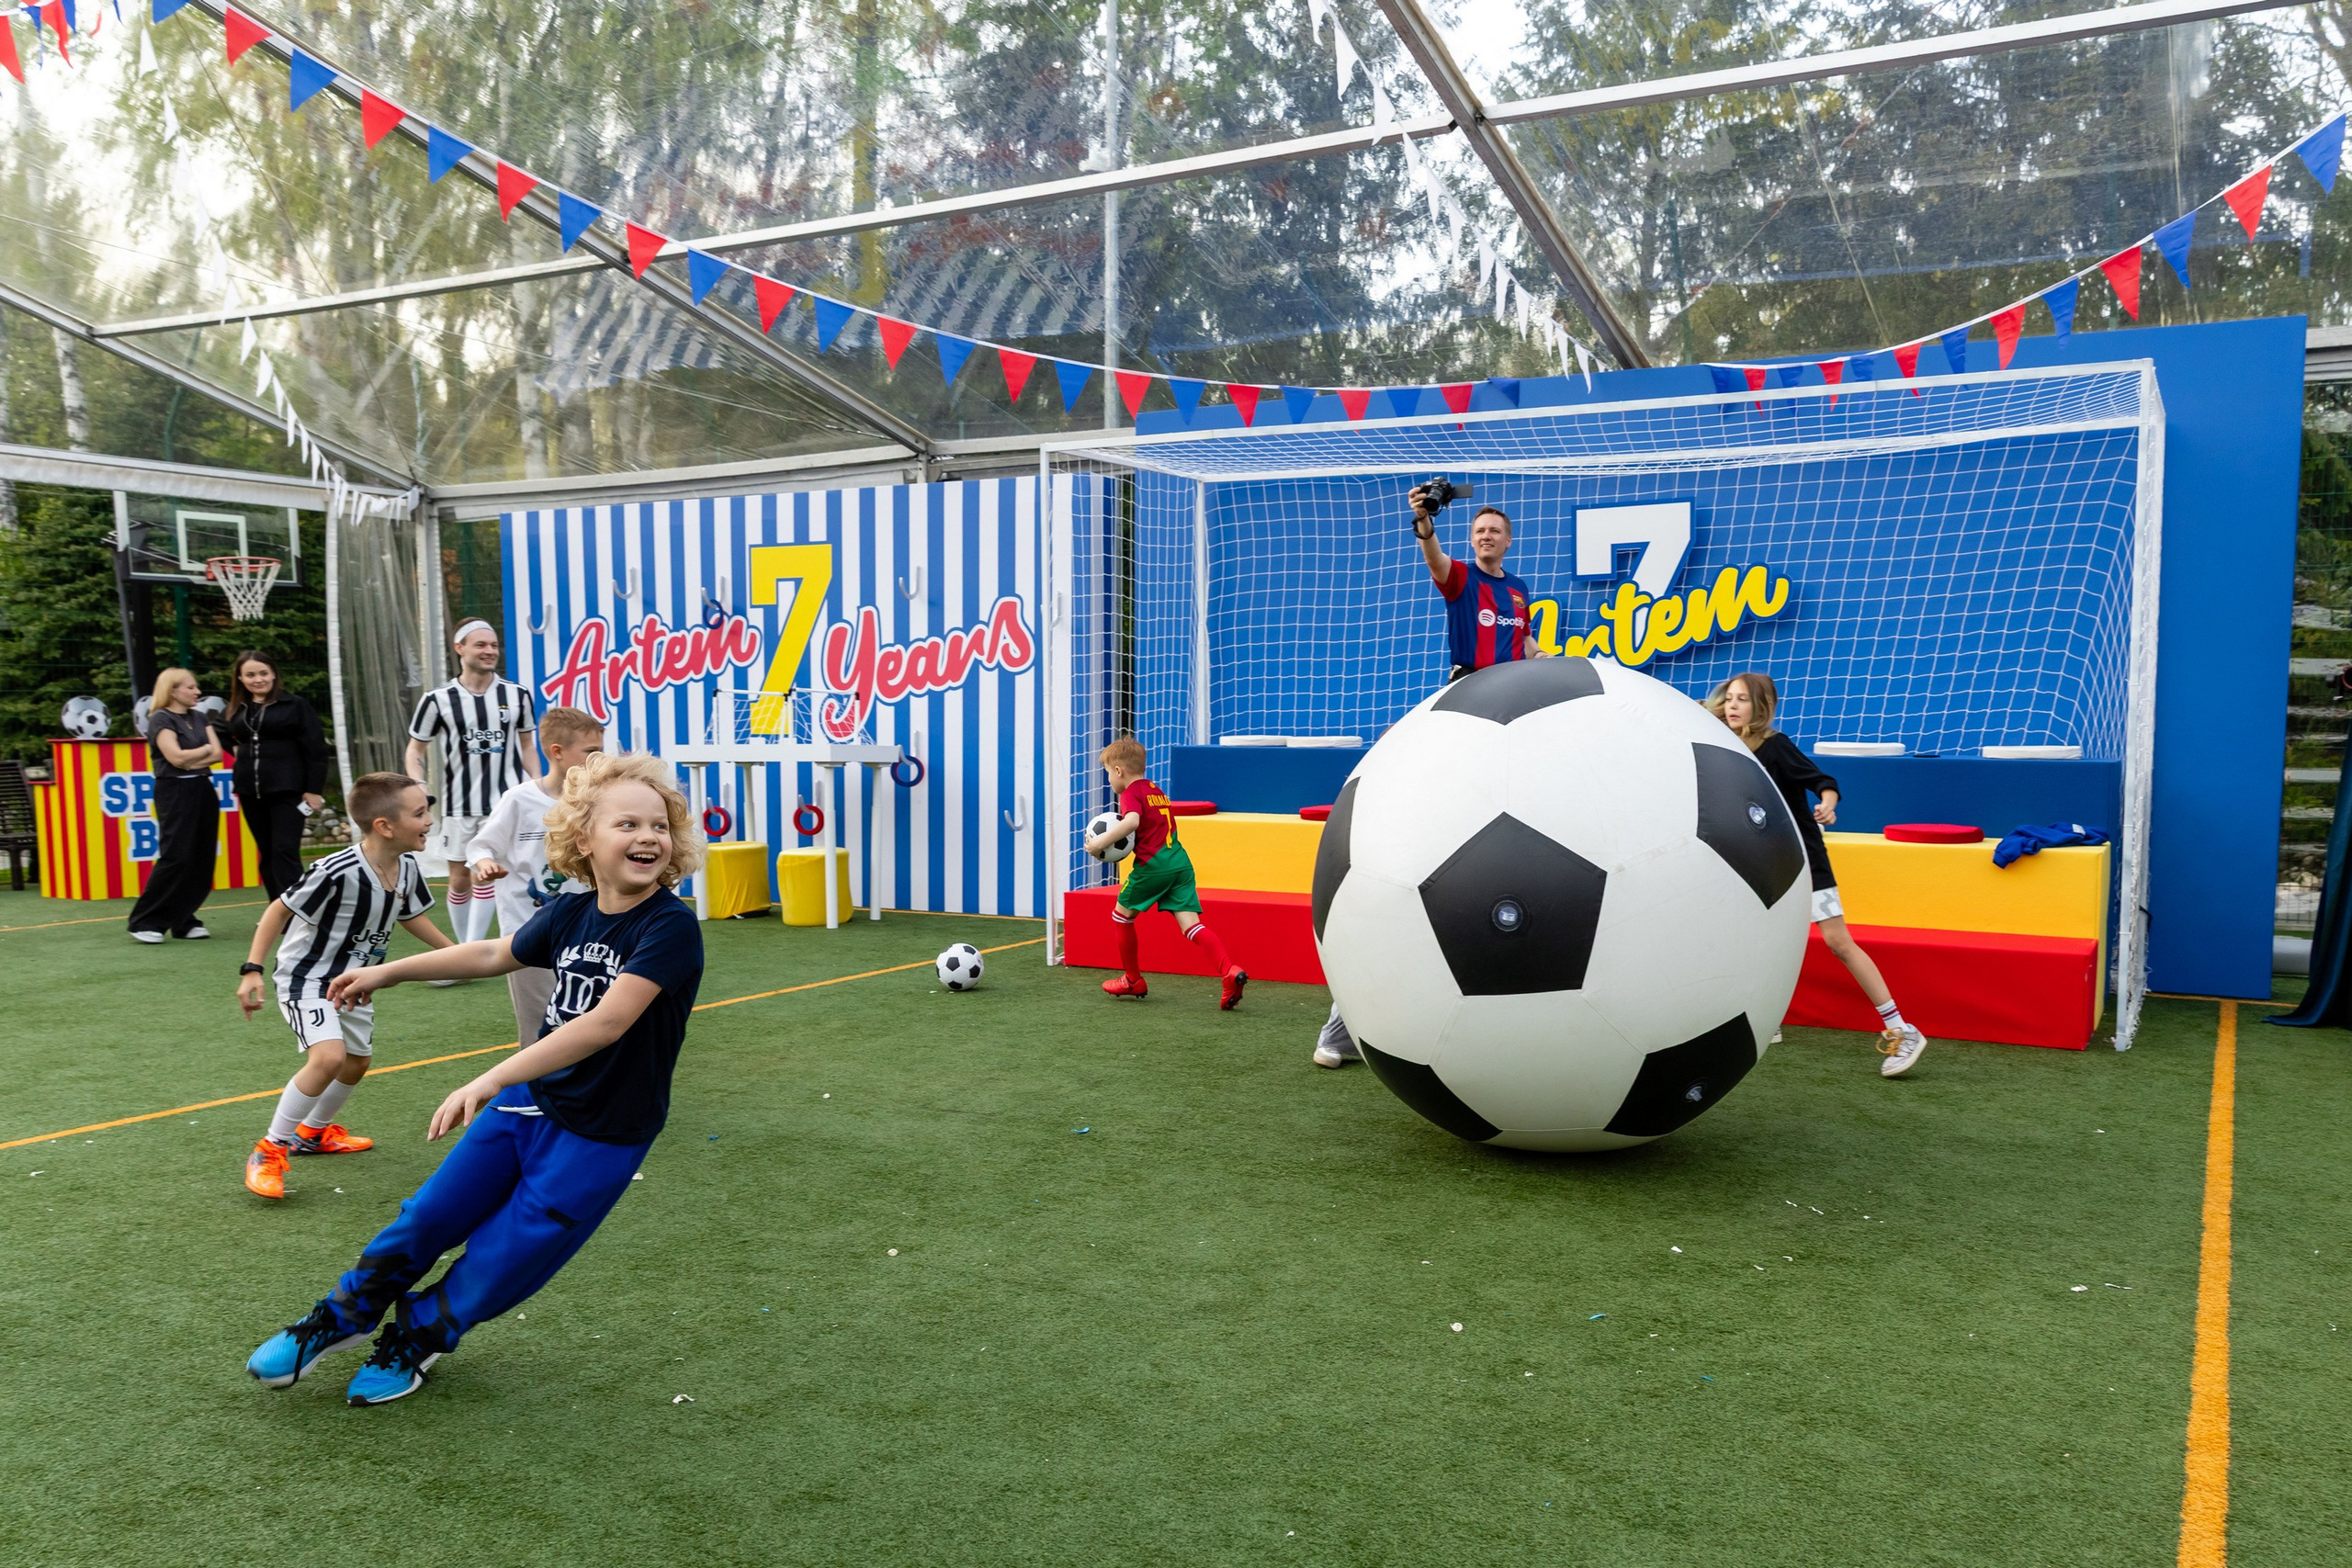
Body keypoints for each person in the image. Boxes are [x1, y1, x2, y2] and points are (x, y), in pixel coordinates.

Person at [243, 751, 706, 1406]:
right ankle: (340, 1317)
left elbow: (605, 1023)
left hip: (604, 1129)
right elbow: (493, 951)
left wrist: (489, 1078)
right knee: (429, 1215)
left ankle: (415, 1338)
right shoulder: (571, 911)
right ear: (583, 839)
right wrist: (388, 970)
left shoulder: (670, 924)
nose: (648, 837)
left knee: (508, 1254)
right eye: (626, 823)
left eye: (659, 825)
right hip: (531, 1100)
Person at [235, 773, 456, 1200]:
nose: (429, 820)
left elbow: (411, 916)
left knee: (356, 1062)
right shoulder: (336, 870)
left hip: (356, 982)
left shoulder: (407, 867)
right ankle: (269, 1150)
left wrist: (459, 954)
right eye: (419, 813)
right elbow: (278, 910)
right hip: (307, 977)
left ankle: (312, 1134)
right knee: (329, 1058)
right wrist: (252, 969)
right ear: (384, 826)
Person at [1706, 671, 1928, 1077]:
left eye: (1743, 700)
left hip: (1804, 860)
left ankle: (1902, 1029)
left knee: (1838, 942)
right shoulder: (1722, 743)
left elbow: (1823, 782)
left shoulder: (1775, 746)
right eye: (1730, 698)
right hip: (1762, 863)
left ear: (1762, 708)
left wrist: (1828, 804)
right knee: (1752, 937)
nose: (1732, 706)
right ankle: (1765, 1018)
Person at [465, 705, 605, 1047]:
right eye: (590, 751)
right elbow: (480, 845)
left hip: (586, 926)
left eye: (601, 751)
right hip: (526, 930)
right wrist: (485, 863)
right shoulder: (519, 799)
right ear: (557, 752)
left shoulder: (596, 800)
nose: (599, 760)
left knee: (589, 1013)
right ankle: (535, 1078)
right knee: (539, 1022)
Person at [1085, 737, 1246, 1009]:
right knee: (1192, 926)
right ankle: (1229, 971)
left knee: (1121, 916)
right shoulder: (1155, 790)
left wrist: (1099, 843)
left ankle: (1132, 980)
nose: (1109, 779)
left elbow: (1132, 822)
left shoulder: (1130, 794)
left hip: (1154, 866)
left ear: (1119, 771)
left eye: (1108, 773)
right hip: (1180, 863)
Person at [406, 619, 536, 954]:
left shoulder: (517, 695)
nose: (490, 651)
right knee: (460, 878)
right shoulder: (437, 700)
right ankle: (461, 950)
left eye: (493, 645)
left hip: (504, 804)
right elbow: (415, 750)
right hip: (459, 803)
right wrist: (418, 785)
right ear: (460, 648)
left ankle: (469, 951)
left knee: (487, 872)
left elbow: (528, 747)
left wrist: (537, 787)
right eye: (481, 645)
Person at [222, 649, 330, 901]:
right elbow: (219, 731)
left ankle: (297, 909)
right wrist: (236, 749)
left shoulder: (295, 705)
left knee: (284, 850)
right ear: (240, 678)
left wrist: (313, 789)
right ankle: (277, 909)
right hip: (249, 791)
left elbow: (316, 750)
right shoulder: (237, 708)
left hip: (288, 790)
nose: (258, 679)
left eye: (263, 673)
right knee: (267, 852)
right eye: (250, 675)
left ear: (273, 674)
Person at [127, 668, 224, 945]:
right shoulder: (161, 718)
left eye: (196, 687)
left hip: (203, 788)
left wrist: (195, 758)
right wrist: (203, 751)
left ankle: (184, 920)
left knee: (202, 857)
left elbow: (218, 754)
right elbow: (176, 758)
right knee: (177, 855)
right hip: (174, 790)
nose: (197, 692)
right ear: (172, 690)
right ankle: (144, 921)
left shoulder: (200, 717)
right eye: (190, 687)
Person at [1411, 484, 1542, 682]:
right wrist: (1423, 518)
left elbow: (1523, 638)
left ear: (1508, 540)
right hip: (1471, 684)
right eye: (1480, 531)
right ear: (1472, 540)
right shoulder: (1460, 575)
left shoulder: (1518, 587)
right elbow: (1433, 558)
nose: (1486, 536)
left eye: (1494, 531)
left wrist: (1539, 654)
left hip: (1513, 685)